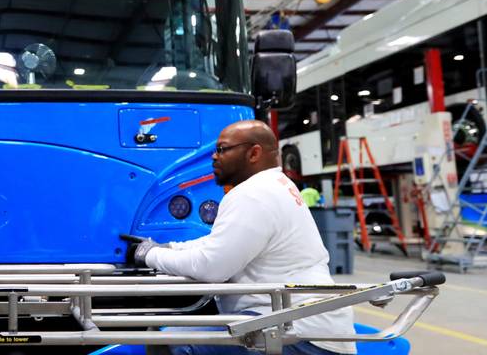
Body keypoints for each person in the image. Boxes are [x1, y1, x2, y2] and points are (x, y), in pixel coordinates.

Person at [132, 120, 356, 355]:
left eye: (222, 149)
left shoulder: (253, 194)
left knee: (170, 342)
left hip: (296, 331)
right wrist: (171, 247)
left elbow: (212, 267)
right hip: (296, 321)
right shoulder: (275, 184)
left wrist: (150, 255)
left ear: (254, 153)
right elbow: (218, 243)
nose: (214, 158)